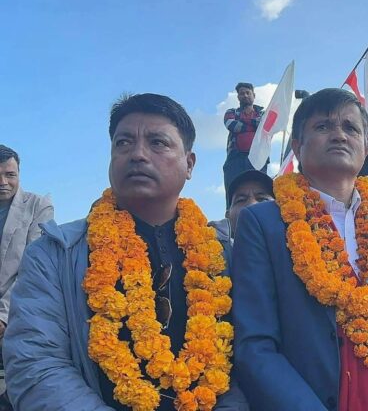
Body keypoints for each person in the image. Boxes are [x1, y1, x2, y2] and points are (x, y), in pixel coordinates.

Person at [2, 94, 247, 410]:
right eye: (124, 143)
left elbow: (247, 361)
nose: (138, 154)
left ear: (189, 164)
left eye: (157, 143)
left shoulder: (225, 255)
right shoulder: (53, 254)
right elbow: (35, 365)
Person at [231, 88, 368, 410]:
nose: (339, 135)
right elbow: (255, 344)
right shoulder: (263, 223)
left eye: (350, 127)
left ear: (366, 148)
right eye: (323, 126)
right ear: (297, 147)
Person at [0, 145, 54, 410]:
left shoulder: (38, 206)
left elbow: (34, 268)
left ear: (19, 173)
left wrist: (3, 315)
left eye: (10, 175)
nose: (3, 182)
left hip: (18, 313)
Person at [210, 157, 274, 243]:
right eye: (241, 200)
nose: (251, 204)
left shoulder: (291, 247)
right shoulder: (204, 246)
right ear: (228, 216)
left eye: (262, 199)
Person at [223, 82, 267, 177]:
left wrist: (242, 122)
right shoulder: (231, 112)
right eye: (242, 93)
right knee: (234, 185)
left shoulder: (263, 114)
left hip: (258, 158)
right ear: (238, 97)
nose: (245, 95)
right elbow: (232, 125)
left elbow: (265, 127)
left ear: (254, 95)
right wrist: (255, 125)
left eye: (248, 93)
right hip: (235, 159)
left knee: (258, 185)